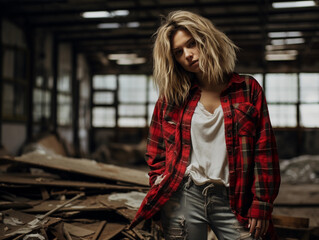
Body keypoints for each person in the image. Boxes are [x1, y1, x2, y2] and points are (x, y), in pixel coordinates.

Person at [130, 10, 281, 240]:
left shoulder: (248, 89)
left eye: (191, 44)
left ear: (206, 39)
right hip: (184, 195)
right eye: (178, 52)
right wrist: (160, 183)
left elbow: (264, 152)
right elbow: (156, 151)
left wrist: (261, 203)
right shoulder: (172, 98)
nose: (188, 55)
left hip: (235, 197)